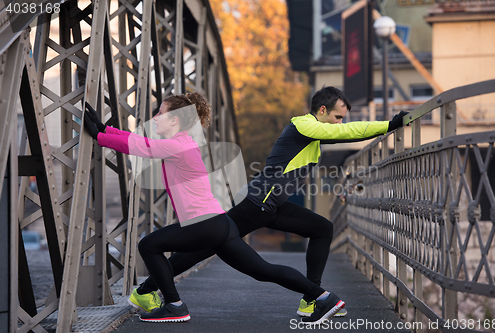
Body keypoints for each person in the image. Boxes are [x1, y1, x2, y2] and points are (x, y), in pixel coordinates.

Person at [131, 86, 408, 318]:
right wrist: (389, 125)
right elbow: (345, 134)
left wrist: (339, 185)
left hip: (271, 204)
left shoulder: (313, 138)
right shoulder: (304, 124)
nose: (340, 123)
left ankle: (312, 297)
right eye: (337, 117)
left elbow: (319, 152)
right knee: (205, 248)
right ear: (321, 111)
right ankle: (146, 290)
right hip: (256, 202)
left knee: (322, 228)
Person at [83, 92, 346, 325]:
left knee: (148, 246)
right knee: (262, 270)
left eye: (160, 113)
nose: (155, 118)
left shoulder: (179, 145)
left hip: (204, 223)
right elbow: (139, 141)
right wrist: (105, 129)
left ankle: (174, 305)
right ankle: (322, 296)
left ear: (175, 120)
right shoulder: (180, 142)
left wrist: (99, 136)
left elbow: (141, 147)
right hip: (218, 224)